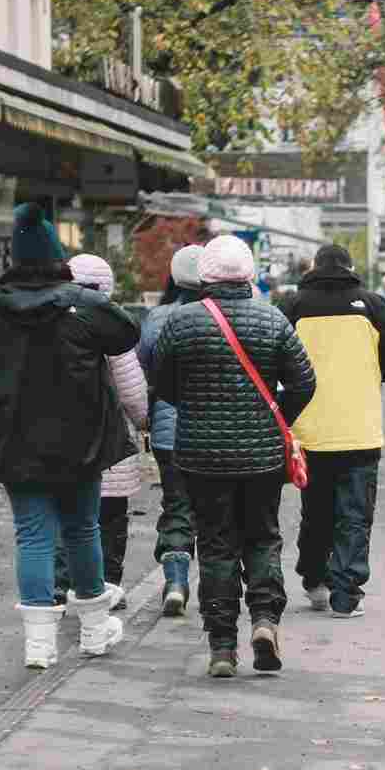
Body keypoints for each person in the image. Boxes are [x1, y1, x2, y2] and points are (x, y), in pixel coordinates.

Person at [0, 203, 139, 669]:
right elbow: (126, 335)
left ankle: (39, 645)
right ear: (57, 257)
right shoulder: (85, 306)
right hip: (81, 443)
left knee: (32, 535)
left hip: (15, 441)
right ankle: (95, 632)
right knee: (82, 529)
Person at [152, 235, 316, 678]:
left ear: (205, 276)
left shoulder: (182, 322)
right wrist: (276, 414)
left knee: (217, 544)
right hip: (262, 455)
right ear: (249, 276)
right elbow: (304, 381)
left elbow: (161, 380)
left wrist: (193, 406)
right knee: (262, 536)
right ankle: (264, 621)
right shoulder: (273, 319)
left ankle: (222, 645)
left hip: (200, 455)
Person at [282, 244, 385, 619]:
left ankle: (314, 579)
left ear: (314, 267)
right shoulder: (374, 306)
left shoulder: (294, 306)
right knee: (355, 512)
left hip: (309, 429)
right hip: (359, 428)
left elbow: (278, 360)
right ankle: (345, 594)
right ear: (350, 268)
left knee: (315, 509)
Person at [62, 254, 149, 609]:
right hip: (109, 441)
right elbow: (131, 391)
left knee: (69, 515)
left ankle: (69, 583)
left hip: (62, 437)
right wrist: (143, 420)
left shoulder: (51, 320)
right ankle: (107, 583)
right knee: (110, 517)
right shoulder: (110, 325)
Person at [137, 244, 204, 615]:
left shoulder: (158, 317)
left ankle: (176, 581)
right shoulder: (224, 313)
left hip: (169, 431)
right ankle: (216, 589)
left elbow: (144, 365)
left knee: (177, 506)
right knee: (216, 512)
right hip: (216, 431)